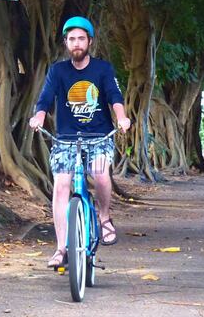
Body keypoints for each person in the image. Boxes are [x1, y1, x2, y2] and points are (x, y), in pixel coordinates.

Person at [29, 16, 131, 269]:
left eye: (81, 38)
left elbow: (114, 96)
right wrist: (38, 117)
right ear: (66, 43)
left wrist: (122, 118)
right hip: (65, 139)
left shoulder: (103, 69)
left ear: (90, 42)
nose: (76, 43)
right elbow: (44, 99)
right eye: (72, 39)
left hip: (99, 136)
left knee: (100, 174)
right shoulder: (57, 71)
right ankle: (61, 248)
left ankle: (104, 217)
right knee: (62, 186)